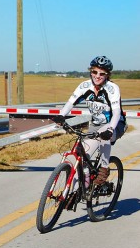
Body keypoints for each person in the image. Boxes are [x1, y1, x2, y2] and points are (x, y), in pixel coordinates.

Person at [54, 56, 127, 186]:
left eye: (102, 73)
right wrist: (61, 115)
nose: (97, 76)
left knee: (104, 132)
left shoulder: (112, 88)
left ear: (107, 75)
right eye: (94, 72)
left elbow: (116, 113)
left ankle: (104, 168)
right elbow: (70, 103)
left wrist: (110, 129)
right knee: (81, 155)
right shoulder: (84, 86)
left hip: (115, 125)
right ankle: (80, 189)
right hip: (95, 125)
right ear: (90, 71)